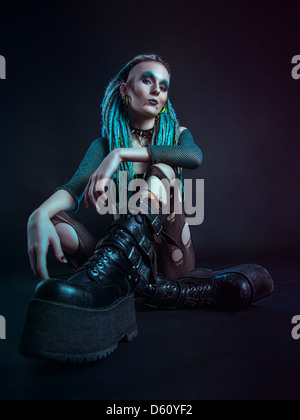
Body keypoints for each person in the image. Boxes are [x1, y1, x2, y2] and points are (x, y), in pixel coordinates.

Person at [20, 54, 274, 363]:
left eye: (163, 86)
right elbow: (74, 189)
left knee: (165, 165)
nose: (156, 90)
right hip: (124, 261)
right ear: (126, 90)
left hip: (172, 262)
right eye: (147, 80)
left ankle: (134, 282)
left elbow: (194, 158)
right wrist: (38, 215)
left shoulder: (177, 135)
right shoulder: (103, 144)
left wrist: (122, 155)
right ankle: (145, 288)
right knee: (55, 220)